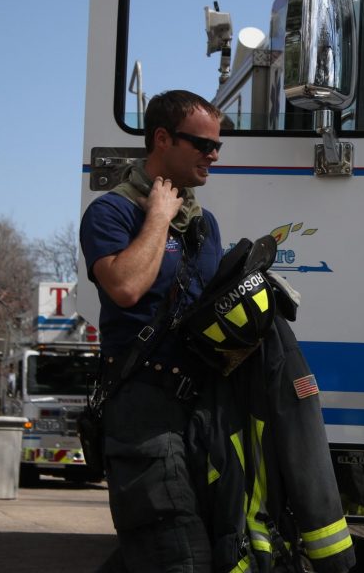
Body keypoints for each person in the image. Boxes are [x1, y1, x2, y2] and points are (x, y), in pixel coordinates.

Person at [79, 89, 224, 573]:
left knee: (178, 547)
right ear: (163, 139)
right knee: (178, 555)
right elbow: (125, 286)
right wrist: (159, 216)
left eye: (216, 146)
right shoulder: (112, 213)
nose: (214, 155)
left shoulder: (204, 225)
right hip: (141, 411)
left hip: (200, 414)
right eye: (202, 145)